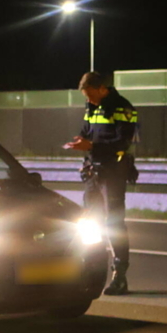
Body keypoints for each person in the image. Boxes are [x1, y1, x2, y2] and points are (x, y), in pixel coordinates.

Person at [64, 71, 138, 295]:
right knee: (89, 224)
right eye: (86, 96)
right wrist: (80, 144)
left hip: (113, 173)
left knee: (114, 224)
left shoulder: (124, 108)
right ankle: (90, 270)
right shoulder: (92, 107)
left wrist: (92, 147)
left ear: (103, 89)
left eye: (90, 95)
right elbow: (86, 133)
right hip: (93, 173)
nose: (88, 100)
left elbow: (122, 142)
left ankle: (119, 275)